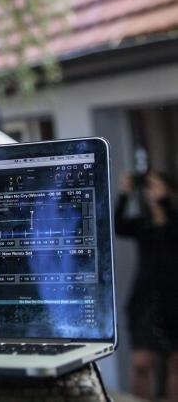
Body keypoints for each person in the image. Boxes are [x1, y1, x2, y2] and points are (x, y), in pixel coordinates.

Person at [115, 170, 178, 401]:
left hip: (174, 298)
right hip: (145, 298)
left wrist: (164, 200)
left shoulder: (174, 220)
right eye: (149, 187)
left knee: (175, 362)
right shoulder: (143, 224)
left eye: (156, 186)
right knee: (141, 362)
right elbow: (119, 227)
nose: (151, 192)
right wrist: (124, 194)